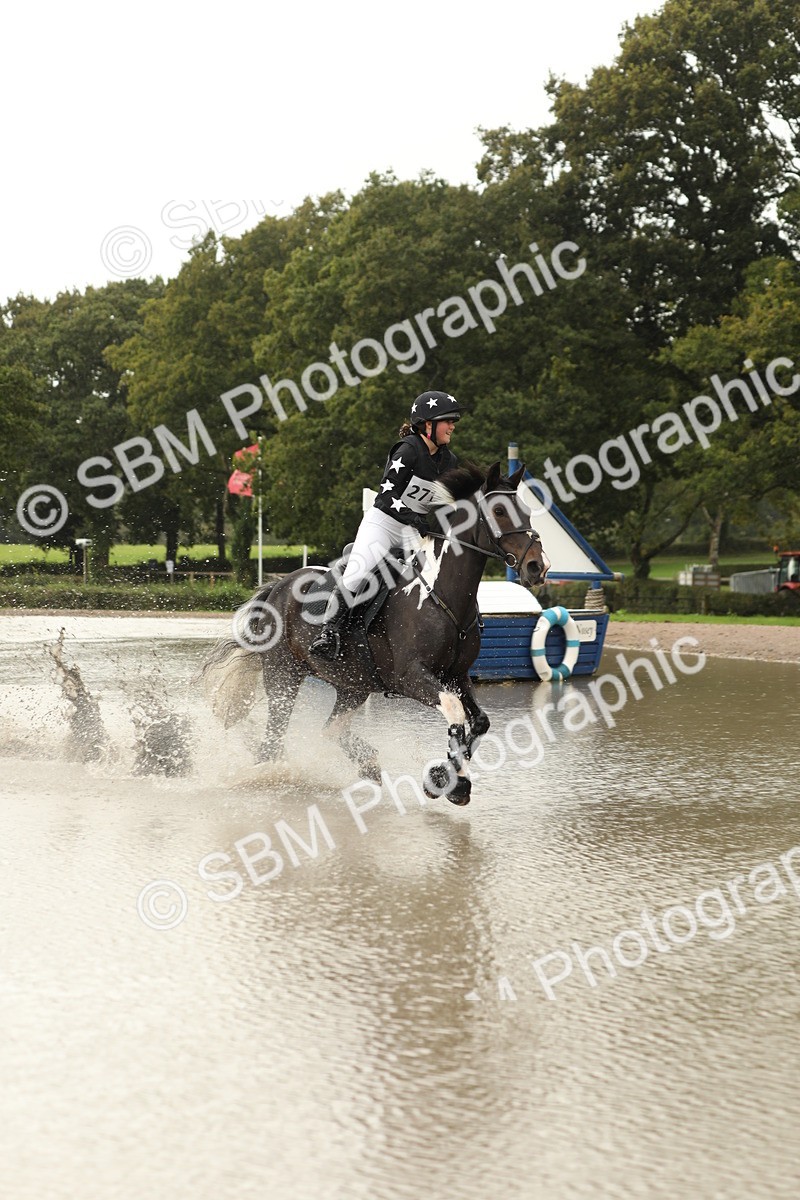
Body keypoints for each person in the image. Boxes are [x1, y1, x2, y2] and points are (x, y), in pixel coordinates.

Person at [309, 390, 462, 658]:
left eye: (453, 421)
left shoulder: (449, 461)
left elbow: (446, 503)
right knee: (358, 573)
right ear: (428, 424)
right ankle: (328, 631)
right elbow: (387, 496)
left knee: (435, 575)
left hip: (413, 532)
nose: (452, 426)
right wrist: (416, 519)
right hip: (383, 523)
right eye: (447, 420)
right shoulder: (408, 450)